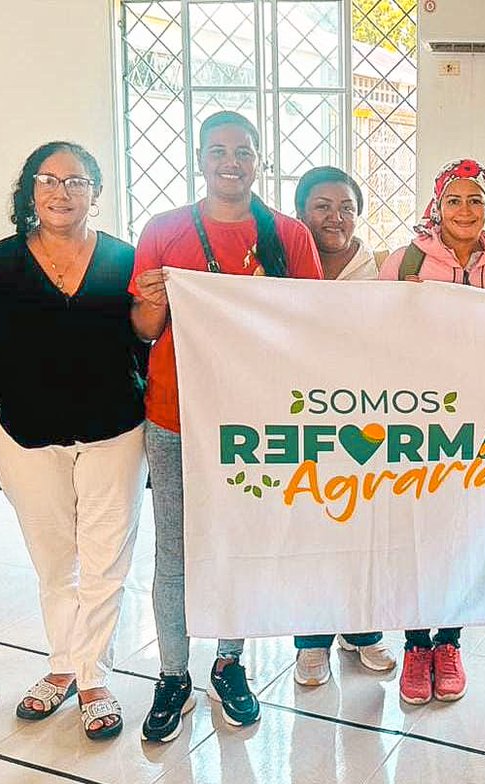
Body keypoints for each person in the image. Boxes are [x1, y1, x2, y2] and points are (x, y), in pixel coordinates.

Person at [130, 111, 323, 739]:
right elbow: (144, 331)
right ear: (200, 160)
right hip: (175, 412)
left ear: (260, 159)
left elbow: (310, 330)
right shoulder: (163, 230)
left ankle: (229, 661)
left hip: (254, 423)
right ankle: (173, 671)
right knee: (175, 546)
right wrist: (157, 301)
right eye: (218, 151)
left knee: (240, 539)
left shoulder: (289, 236)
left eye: (244, 150)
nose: (231, 162)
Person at [0, 142, 148, 740]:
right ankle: (60, 665)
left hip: (113, 428)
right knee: (54, 559)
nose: (61, 192)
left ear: (95, 192)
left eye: (76, 181)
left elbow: (142, 337)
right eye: (48, 180)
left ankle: (93, 673)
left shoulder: (125, 259)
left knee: (106, 556)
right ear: (29, 191)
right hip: (26, 432)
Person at [378, 157, 485, 706]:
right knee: (417, 532)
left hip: (473, 427)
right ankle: (416, 644)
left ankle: (450, 642)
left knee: (462, 535)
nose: (465, 210)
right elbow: (369, 330)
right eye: (454, 200)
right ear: (437, 205)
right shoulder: (405, 259)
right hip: (415, 423)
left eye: (476, 200)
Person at [289, 166, 395, 687]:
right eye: (322, 206)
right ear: (302, 212)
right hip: (300, 416)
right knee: (310, 526)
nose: (336, 217)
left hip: (365, 418)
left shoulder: (379, 269)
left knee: (364, 527)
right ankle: (311, 641)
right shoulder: (281, 266)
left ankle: (364, 633)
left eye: (347, 206)